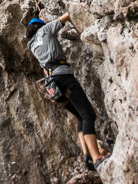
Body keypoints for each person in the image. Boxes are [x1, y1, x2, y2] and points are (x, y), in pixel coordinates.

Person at [27, 12, 109, 171]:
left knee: (79, 116)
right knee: (88, 114)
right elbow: (68, 15)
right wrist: (49, 22)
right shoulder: (45, 30)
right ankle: (96, 156)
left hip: (53, 86)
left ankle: (87, 155)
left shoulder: (31, 45)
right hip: (63, 76)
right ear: (40, 25)